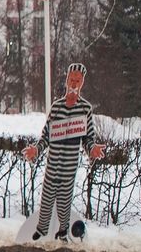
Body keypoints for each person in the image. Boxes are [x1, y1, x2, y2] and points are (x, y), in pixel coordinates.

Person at [23, 63, 105, 241]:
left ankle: (63, 230)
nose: (74, 83)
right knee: (46, 199)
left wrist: (93, 149)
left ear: (82, 82)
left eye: (78, 80)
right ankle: (42, 229)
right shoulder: (57, 106)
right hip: (52, 165)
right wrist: (36, 149)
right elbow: (46, 135)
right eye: (72, 79)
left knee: (64, 201)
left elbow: (88, 138)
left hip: (68, 167)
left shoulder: (85, 109)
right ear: (67, 80)